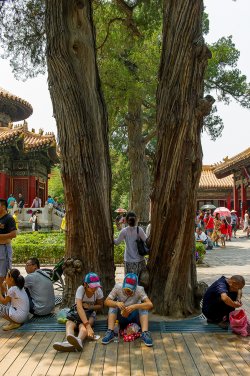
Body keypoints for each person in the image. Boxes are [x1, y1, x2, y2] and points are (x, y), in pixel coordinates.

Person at [53, 272, 104, 352]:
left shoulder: (98, 291)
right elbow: (79, 308)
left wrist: (90, 307)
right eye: (92, 287)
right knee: (69, 323)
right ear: (85, 284)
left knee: (82, 325)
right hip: (77, 312)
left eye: (96, 287)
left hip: (90, 313)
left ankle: (79, 341)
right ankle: (69, 341)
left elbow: (101, 305)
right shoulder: (81, 289)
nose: (95, 289)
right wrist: (88, 327)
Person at [102, 273, 153, 347]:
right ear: (123, 285)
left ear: (135, 288)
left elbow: (150, 304)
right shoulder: (117, 287)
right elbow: (106, 302)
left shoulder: (140, 289)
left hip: (134, 317)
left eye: (130, 290)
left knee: (144, 307)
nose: (127, 292)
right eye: (126, 289)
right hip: (121, 317)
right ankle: (110, 331)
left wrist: (135, 306)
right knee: (112, 306)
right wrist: (116, 303)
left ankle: (145, 333)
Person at [114, 211, 147, 276]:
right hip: (140, 260)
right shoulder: (139, 230)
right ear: (136, 220)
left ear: (126, 220)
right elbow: (146, 240)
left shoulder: (124, 231)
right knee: (140, 282)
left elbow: (116, 243)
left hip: (128, 260)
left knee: (129, 282)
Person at [0, 199, 17, 290]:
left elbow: (14, 234)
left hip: (4, 248)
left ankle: (8, 298)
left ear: (3, 207)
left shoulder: (9, 218)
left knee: (5, 274)